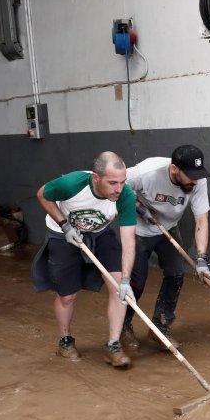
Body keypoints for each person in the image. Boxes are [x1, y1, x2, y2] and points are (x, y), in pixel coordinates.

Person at [31, 151, 138, 369]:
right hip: (62, 234)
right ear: (96, 178)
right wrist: (64, 224)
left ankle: (113, 346)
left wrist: (126, 279)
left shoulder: (125, 195)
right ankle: (65, 341)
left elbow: (129, 241)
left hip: (100, 232)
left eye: (123, 182)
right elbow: (42, 194)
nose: (119, 189)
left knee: (119, 289)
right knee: (67, 295)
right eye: (113, 183)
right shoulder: (71, 184)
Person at [121, 144, 210, 350]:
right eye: (190, 175)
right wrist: (137, 206)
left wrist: (201, 258)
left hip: (168, 228)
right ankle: (123, 327)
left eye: (197, 175)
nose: (195, 180)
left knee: (176, 273)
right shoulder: (147, 172)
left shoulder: (198, 181)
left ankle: (159, 328)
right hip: (138, 230)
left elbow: (201, 220)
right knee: (136, 281)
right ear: (174, 169)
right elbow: (117, 187)